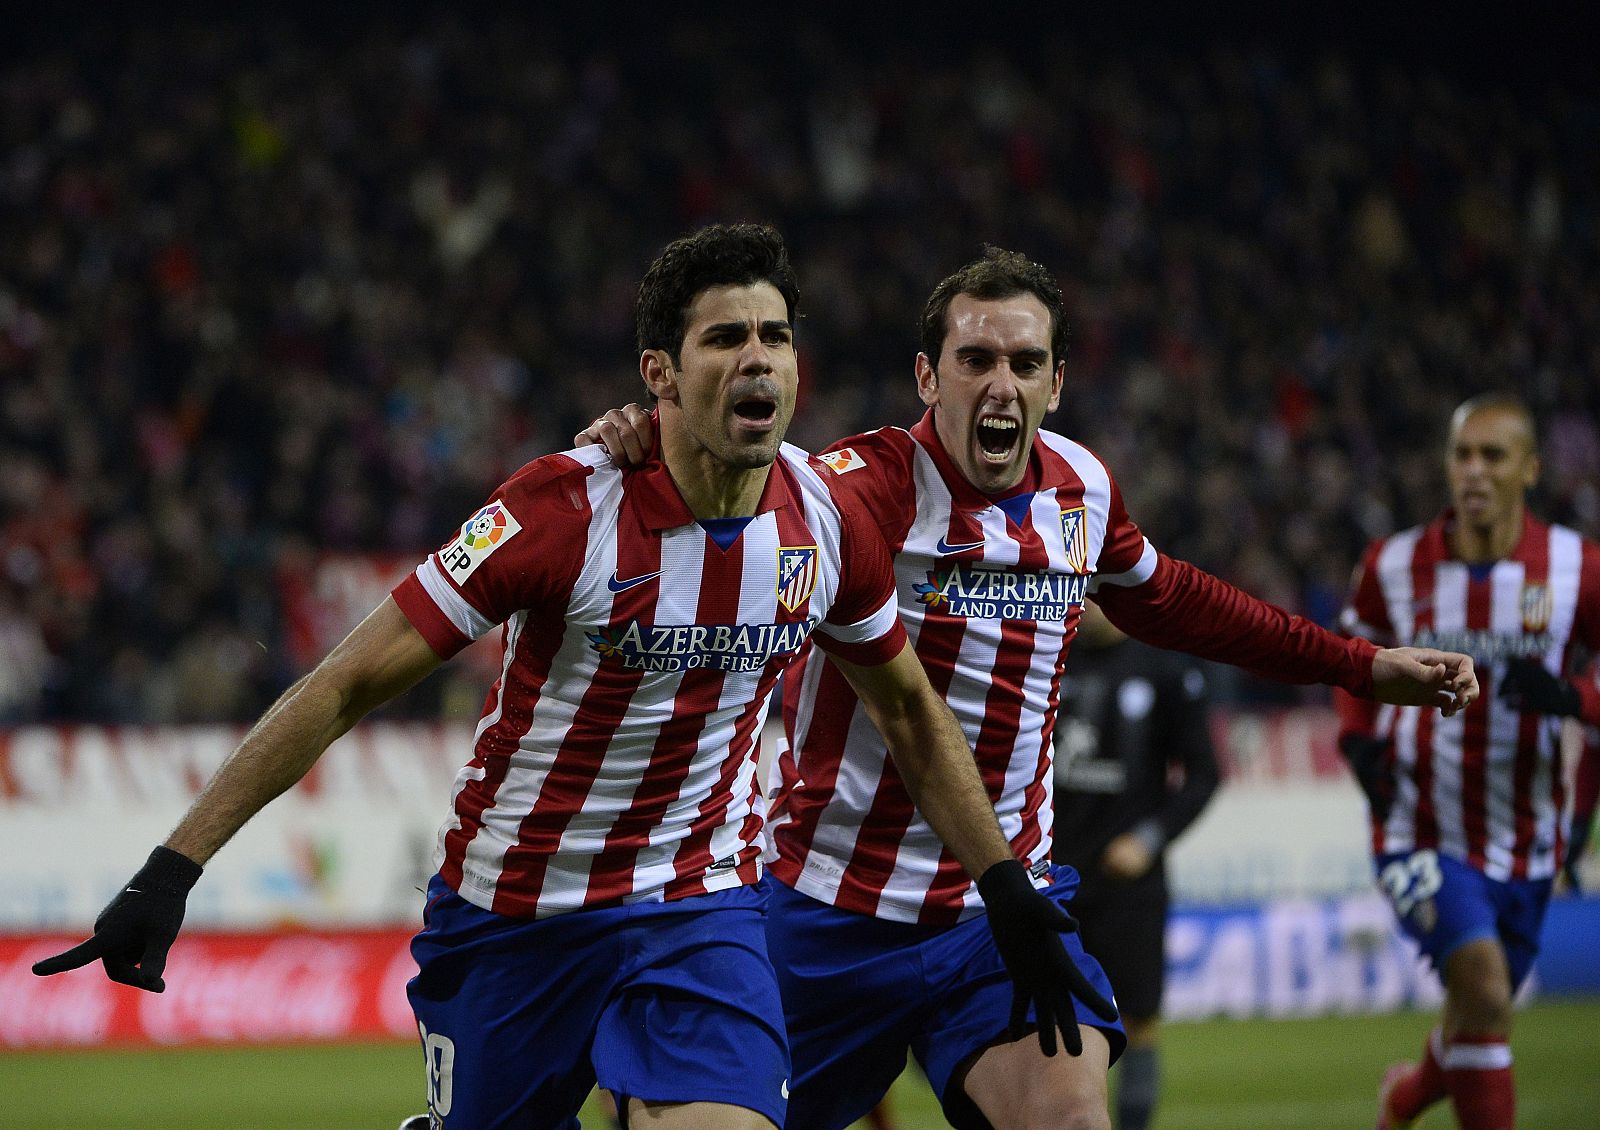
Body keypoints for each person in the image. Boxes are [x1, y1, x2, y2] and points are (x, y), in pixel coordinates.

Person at [30, 225, 1110, 1130]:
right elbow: (343, 685)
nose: (759, 360)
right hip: (517, 915)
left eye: (775, 336)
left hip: (700, 908)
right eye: (725, 337)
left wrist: (1002, 883)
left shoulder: (825, 521)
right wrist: (173, 865)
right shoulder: (560, 512)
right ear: (659, 371)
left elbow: (911, 712)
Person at [579, 246, 1479, 1130]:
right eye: (975, 359)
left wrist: (1360, 664)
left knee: (1072, 1122)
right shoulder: (869, 489)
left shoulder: (1082, 490)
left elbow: (1179, 602)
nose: (1000, 382)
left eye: (1025, 361)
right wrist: (646, 448)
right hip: (828, 907)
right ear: (929, 378)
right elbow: (733, 506)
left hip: (995, 914)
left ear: (1057, 384)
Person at [1335, 392, 1600, 1130]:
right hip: (1418, 827)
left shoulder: (1581, 570)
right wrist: (1358, 745)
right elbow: (1349, 664)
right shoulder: (1392, 564)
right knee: (1483, 992)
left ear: (1531, 469)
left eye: (1494, 455)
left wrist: (1575, 700)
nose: (1474, 472)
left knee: (1478, 1018)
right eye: (1462, 455)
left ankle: (1406, 1095)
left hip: (1528, 840)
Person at [1052, 601, 1220, 1130]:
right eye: (1083, 588)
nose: (1089, 601)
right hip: (1048, 880)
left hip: (1130, 886)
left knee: (1139, 1023)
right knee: (1042, 1031)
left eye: (1104, 589)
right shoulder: (1048, 653)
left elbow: (1203, 775)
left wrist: (1148, 839)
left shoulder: (1165, 668)